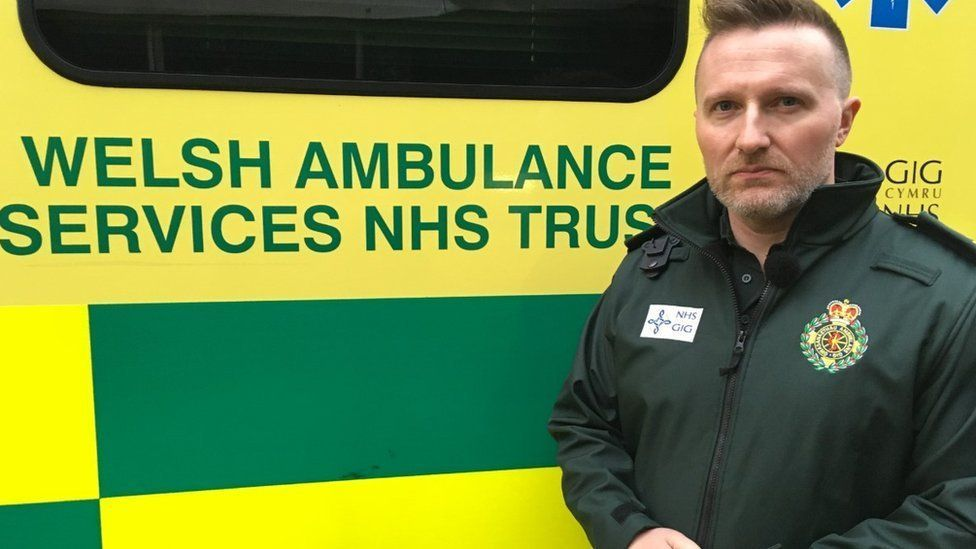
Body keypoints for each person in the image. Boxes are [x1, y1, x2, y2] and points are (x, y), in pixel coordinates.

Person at [547, 1, 976, 548]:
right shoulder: (653, 268)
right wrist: (632, 532)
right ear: (700, 123)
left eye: (785, 102)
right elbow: (585, 426)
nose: (749, 137)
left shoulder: (945, 297)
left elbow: (962, 509)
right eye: (725, 106)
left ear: (844, 120)